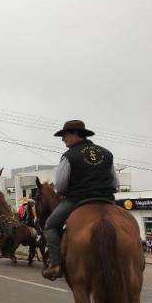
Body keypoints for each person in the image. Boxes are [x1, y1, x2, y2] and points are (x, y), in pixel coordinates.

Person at [42, 120, 119, 280]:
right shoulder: (107, 153)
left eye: (65, 135)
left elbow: (61, 187)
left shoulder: (68, 156)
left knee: (49, 225)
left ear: (76, 134)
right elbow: (115, 184)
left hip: (77, 200)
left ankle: (55, 265)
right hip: (107, 200)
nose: (63, 139)